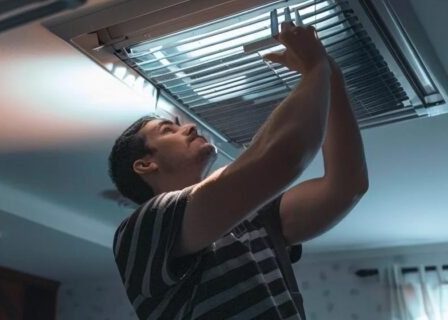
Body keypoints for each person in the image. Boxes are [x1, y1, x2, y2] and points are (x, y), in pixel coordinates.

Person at [107, 21, 368, 319]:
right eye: (169, 130)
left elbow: (347, 186)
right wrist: (315, 68)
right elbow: (282, 155)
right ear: (144, 164)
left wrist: (331, 76)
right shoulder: (142, 231)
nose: (190, 126)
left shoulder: (256, 218)